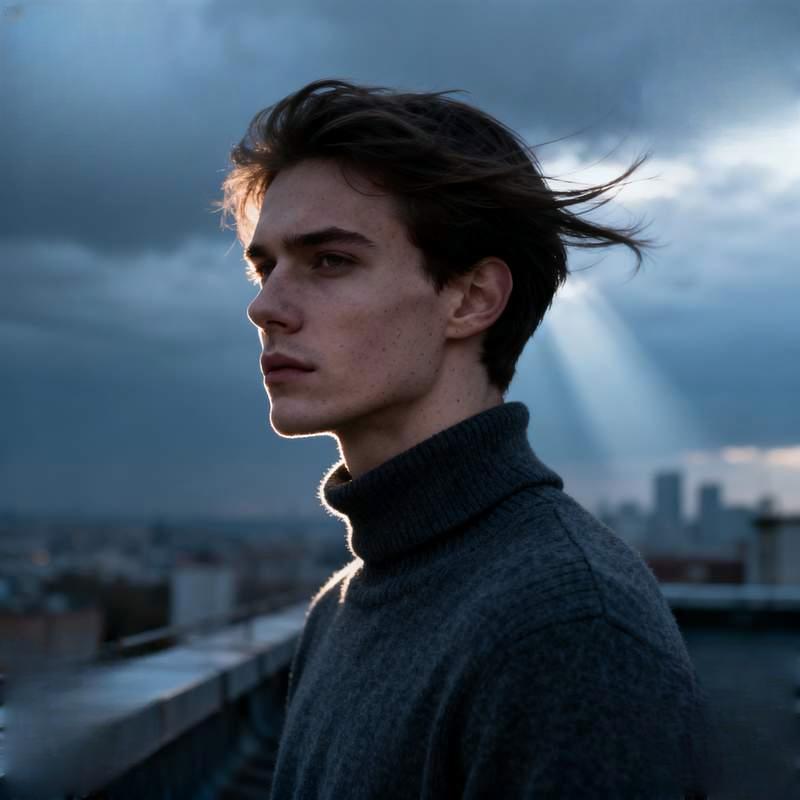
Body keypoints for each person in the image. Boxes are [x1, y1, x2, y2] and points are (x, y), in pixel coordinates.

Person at [221, 79, 709, 799]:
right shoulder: (345, 605)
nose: (265, 307)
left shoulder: (567, 629)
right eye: (267, 266)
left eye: (330, 261)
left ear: (472, 299)